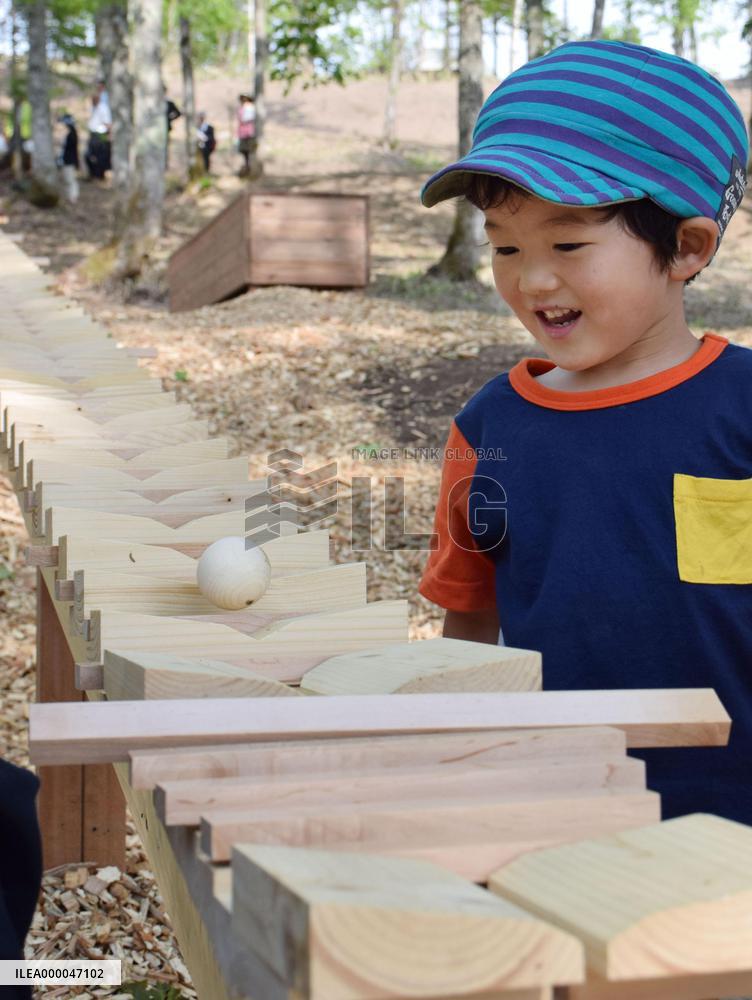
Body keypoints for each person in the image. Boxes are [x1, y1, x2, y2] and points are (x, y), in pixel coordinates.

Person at [418, 40, 751, 824]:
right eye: (506, 247)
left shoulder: (743, 412)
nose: (532, 279)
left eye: (568, 244)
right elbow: (469, 621)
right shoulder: (487, 430)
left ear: (687, 248)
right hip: (552, 811)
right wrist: (454, 771)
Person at [85, 89, 111, 179]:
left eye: (94, 99)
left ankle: (100, 175)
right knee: (89, 155)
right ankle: (93, 174)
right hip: (93, 133)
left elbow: (107, 123)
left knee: (101, 155)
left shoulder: (103, 108)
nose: (93, 100)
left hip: (101, 134)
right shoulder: (93, 108)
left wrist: (108, 134)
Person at [57, 113, 79, 204]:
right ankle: (70, 196)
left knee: (70, 180)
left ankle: (73, 197)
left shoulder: (72, 135)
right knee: (67, 179)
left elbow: (70, 149)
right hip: (67, 160)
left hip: (69, 160)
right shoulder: (70, 134)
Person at [236, 92, 256, 176]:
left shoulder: (249, 107)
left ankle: (249, 166)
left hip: (248, 132)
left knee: (248, 149)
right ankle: (247, 165)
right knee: (244, 150)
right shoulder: (243, 107)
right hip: (243, 132)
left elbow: (245, 119)